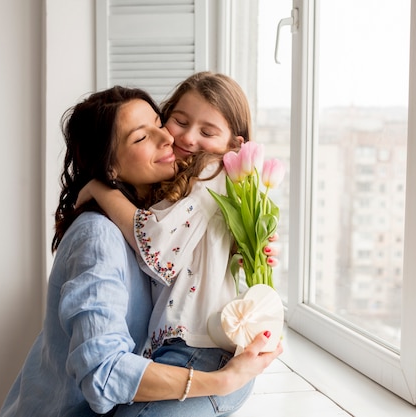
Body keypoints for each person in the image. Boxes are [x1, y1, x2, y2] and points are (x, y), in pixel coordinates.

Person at [0, 86, 281, 417]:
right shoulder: (99, 237)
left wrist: (244, 245)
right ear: (111, 169)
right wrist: (222, 381)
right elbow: (103, 374)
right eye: (140, 138)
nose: (170, 140)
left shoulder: (173, 211)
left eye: (159, 124)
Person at [76, 73, 276, 417]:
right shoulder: (192, 183)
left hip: (200, 353)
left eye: (207, 132)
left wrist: (100, 190)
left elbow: (156, 247)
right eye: (179, 121)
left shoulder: (211, 172)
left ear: (234, 146)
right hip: (194, 352)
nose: (186, 137)